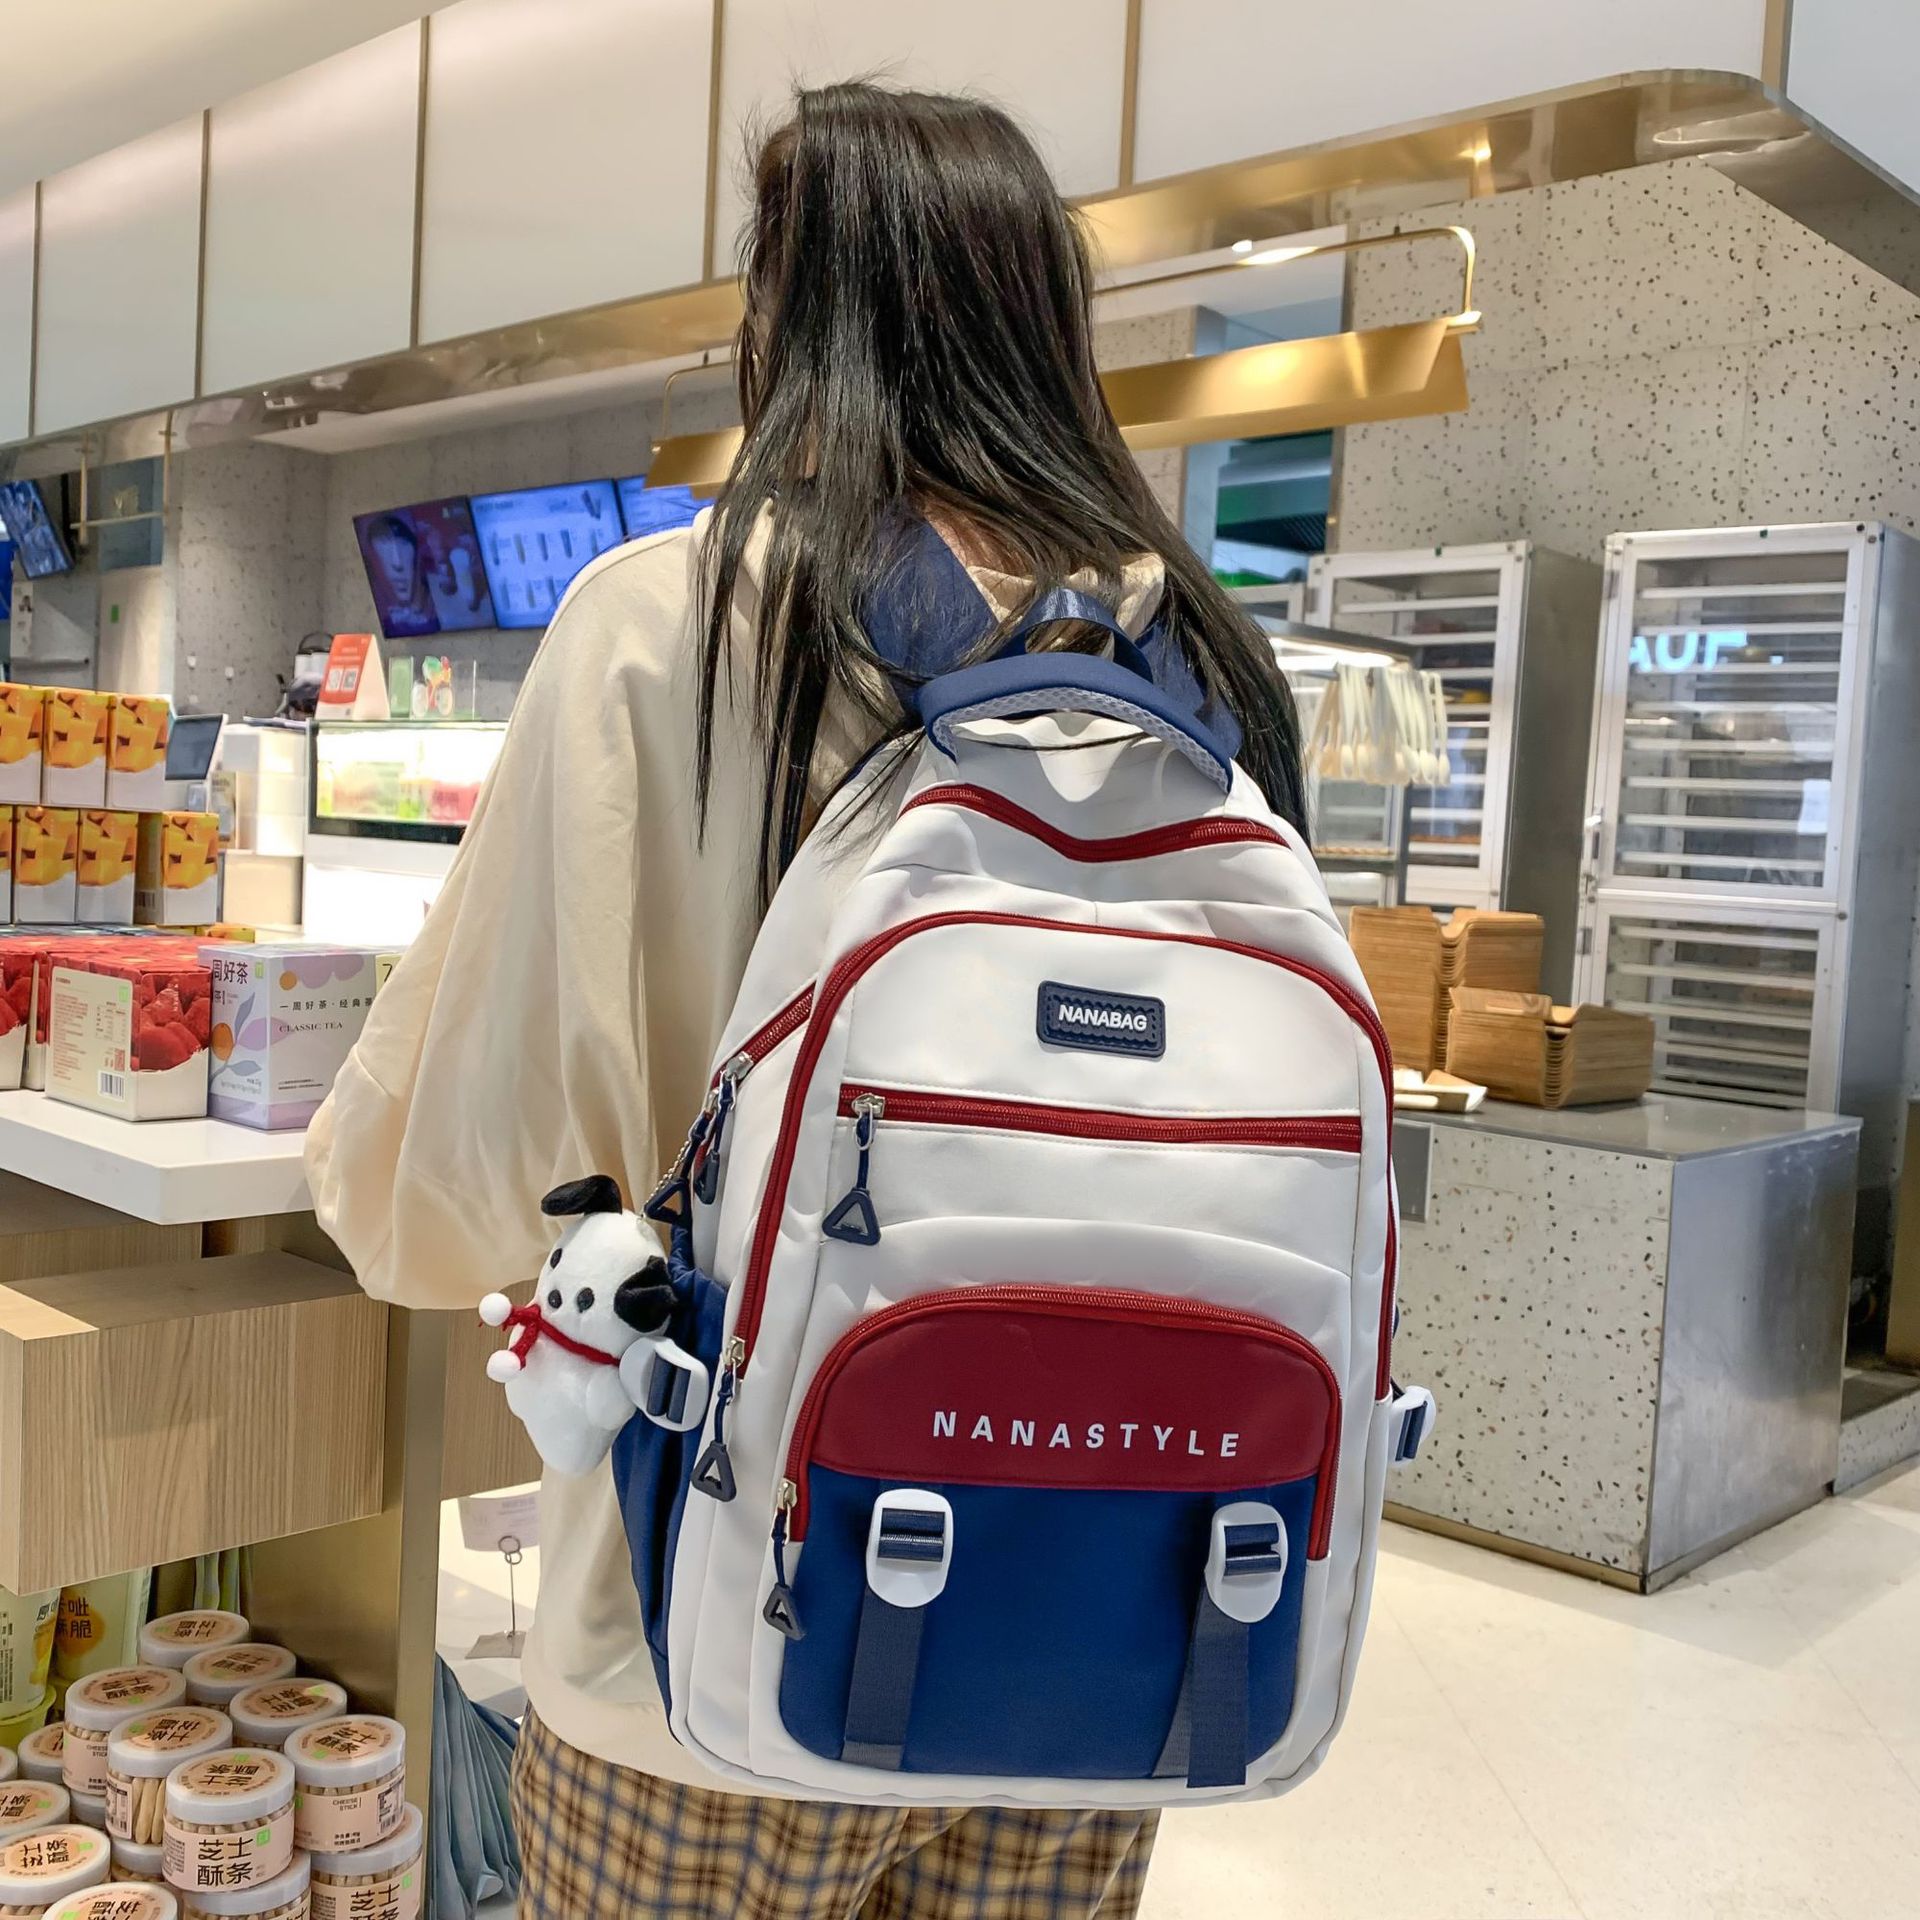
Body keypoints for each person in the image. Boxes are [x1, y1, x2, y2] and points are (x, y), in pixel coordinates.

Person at [307, 79, 1304, 1920]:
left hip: (717, 1636)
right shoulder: (1198, 667)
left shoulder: (669, 624)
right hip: (1118, 1624)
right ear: (1049, 324)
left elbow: (457, 1172)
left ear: (787, 316)